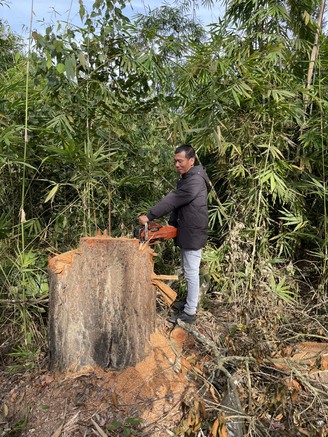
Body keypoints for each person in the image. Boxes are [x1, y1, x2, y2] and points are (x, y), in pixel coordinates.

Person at [138, 144, 210, 324]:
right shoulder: (188, 178)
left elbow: (174, 199)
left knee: (192, 272)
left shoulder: (195, 181)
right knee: (188, 270)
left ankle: (190, 313)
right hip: (189, 231)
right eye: (175, 161)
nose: (177, 164)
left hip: (193, 233)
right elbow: (179, 205)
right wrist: (169, 225)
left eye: (180, 161)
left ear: (191, 161)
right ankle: (188, 304)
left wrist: (150, 215)